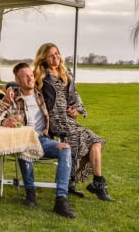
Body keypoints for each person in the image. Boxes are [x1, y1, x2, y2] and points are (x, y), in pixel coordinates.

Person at [0, 62, 76, 218]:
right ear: (17, 79)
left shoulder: (40, 92)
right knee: (25, 146)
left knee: (66, 148)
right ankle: (30, 192)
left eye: (31, 75)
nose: (30, 79)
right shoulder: (13, 96)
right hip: (23, 139)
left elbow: (59, 85)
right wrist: (4, 121)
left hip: (43, 139)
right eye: (25, 76)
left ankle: (61, 199)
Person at [33, 43, 114, 201]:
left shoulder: (66, 74)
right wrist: (9, 89)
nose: (55, 57)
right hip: (55, 122)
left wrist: (76, 110)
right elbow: (21, 85)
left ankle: (91, 183)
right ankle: (82, 184)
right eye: (51, 55)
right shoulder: (40, 75)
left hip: (69, 119)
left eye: (57, 53)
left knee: (95, 143)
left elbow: (75, 97)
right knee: (86, 144)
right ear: (43, 58)